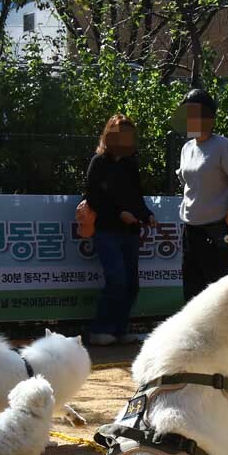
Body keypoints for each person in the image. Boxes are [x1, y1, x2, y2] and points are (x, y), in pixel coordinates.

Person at [176, 89, 228, 302]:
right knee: (191, 291)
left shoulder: (223, 146)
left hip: (218, 231)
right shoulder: (186, 148)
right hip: (190, 229)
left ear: (209, 119)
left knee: (215, 293)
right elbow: (187, 182)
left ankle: (219, 335)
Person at [83, 114, 155, 346]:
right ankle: (100, 330)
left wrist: (147, 215)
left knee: (132, 284)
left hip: (130, 233)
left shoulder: (130, 164)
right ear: (109, 136)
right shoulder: (99, 162)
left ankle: (120, 330)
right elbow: (93, 197)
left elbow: (136, 197)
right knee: (116, 280)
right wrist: (119, 214)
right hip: (106, 231)